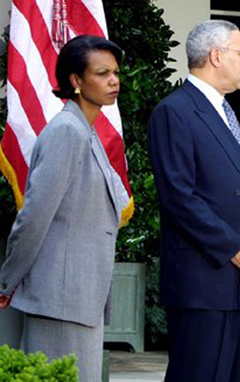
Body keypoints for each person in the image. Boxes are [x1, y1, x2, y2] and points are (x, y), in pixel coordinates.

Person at [148, 19, 240, 382]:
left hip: (239, 282)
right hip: (202, 282)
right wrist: (235, 247)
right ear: (217, 56)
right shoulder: (176, 112)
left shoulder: (226, 111)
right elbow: (179, 198)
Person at [0, 35, 123, 380]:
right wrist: (8, 281)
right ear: (76, 81)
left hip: (81, 297)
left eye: (115, 72)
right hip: (60, 299)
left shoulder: (87, 130)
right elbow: (35, 216)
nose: (114, 80)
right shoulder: (66, 132)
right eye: (102, 73)